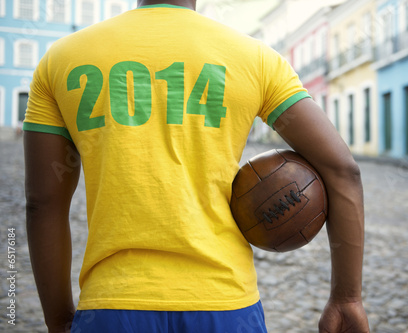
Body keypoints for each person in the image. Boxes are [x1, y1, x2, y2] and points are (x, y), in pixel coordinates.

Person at [23, 1, 369, 332]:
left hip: (112, 306)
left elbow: (43, 203)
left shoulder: (62, 59)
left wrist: (58, 320)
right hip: (224, 305)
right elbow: (342, 170)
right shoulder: (255, 59)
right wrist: (347, 298)